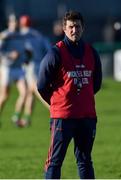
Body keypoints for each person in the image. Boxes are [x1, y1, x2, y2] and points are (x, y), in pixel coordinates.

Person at [37, 11, 102, 179]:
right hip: (63, 118)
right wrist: (59, 102)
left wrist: (81, 98)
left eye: (78, 26)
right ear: (64, 29)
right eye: (71, 27)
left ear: (83, 28)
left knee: (85, 160)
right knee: (55, 161)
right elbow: (42, 85)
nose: (75, 30)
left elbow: (96, 84)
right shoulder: (55, 54)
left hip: (87, 117)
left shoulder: (91, 52)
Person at [17, 15, 51, 127]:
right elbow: (49, 49)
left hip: (29, 66)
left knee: (36, 90)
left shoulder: (22, 35)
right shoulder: (38, 34)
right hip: (40, 64)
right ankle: (26, 119)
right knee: (30, 93)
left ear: (21, 24)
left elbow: (25, 51)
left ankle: (54, 109)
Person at [0, 14, 31, 126]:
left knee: (25, 92)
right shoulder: (5, 35)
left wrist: (27, 57)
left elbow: (23, 51)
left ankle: (16, 117)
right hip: (7, 68)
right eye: (13, 22)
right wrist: (9, 55)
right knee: (4, 96)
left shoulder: (21, 36)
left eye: (16, 22)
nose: (15, 24)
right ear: (9, 23)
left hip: (18, 68)